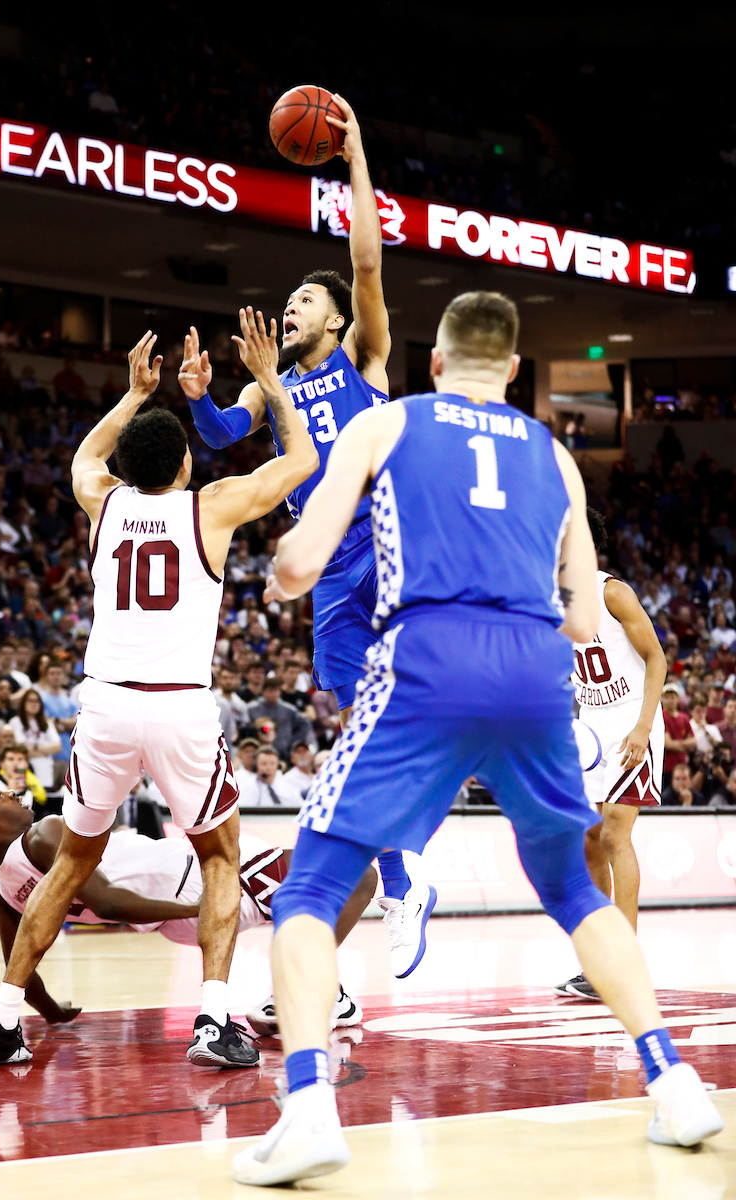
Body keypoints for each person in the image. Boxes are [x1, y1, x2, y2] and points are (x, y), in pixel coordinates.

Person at [231, 291, 723, 1186]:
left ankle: (307, 1108)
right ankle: (676, 1083)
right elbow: (582, 620)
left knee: (308, 888)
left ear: (434, 364)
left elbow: (304, 558)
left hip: (426, 659)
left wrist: (281, 573)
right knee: (575, 886)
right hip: (535, 670)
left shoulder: (388, 424)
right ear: (513, 368)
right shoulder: (558, 458)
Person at [0, 313, 318, 1072]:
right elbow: (299, 465)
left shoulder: (106, 501)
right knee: (222, 857)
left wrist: (131, 393)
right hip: (180, 704)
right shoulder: (210, 507)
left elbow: (85, 457)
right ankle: (214, 1018)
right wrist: (271, 383)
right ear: (185, 464)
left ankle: (0, 1017)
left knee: (70, 862)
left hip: (106, 705)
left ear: (128, 467)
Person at [180, 96, 433, 967]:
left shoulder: (363, 355)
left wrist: (356, 155)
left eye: (301, 301)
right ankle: (405, 882)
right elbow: (219, 438)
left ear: (334, 318)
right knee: (356, 710)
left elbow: (365, 262)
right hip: (322, 556)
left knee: (399, 700)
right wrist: (200, 393)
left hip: (387, 530)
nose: (288, 310)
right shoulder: (276, 381)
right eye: (286, 301)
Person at [0, 780, 370, 1027]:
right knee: (358, 878)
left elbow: (17, 965)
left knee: (312, 894)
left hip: (171, 916)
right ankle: (303, 992)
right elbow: (109, 902)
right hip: (198, 886)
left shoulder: (3, 887)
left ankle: (320, 989)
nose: (14, 793)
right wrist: (202, 908)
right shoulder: (44, 833)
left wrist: (54, 1014)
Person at [555, 509, 666, 1001]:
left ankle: (624, 961)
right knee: (588, 840)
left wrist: (644, 726)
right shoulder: (557, 601)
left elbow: (657, 658)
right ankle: (599, 958)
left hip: (630, 720)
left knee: (617, 835)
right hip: (594, 726)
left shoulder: (612, 592)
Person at [8, 688, 62, 790]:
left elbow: (57, 746)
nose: (33, 704)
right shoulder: (15, 722)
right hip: (25, 769)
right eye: (30, 700)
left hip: (46, 769)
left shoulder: (47, 723)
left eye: (36, 701)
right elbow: (22, 749)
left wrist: (35, 748)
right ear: (23, 703)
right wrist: (45, 751)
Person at [0, 742, 46, 812]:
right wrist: (9, 792)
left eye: (20, 759)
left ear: (26, 764)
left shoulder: (30, 788)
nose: (15, 764)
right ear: (1, 764)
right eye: (11, 759)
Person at [237, 747, 302, 807]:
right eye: (264, 764)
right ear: (256, 766)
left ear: (277, 766)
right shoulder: (245, 790)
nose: (268, 768)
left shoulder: (289, 787)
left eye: (272, 764)